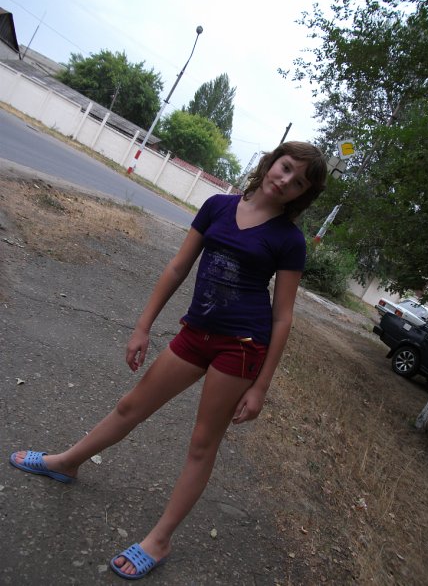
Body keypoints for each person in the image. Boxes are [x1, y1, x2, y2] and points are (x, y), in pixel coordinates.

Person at [10, 141, 327, 580]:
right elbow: (178, 267)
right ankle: (67, 462)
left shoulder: (288, 240)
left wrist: (261, 387)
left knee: (202, 443)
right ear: (271, 162)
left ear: (303, 195)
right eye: (285, 167)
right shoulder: (217, 207)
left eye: (299, 182)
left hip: (241, 347)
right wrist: (142, 326)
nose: (286, 180)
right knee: (130, 406)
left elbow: (283, 316)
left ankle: (159, 540)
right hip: (195, 333)